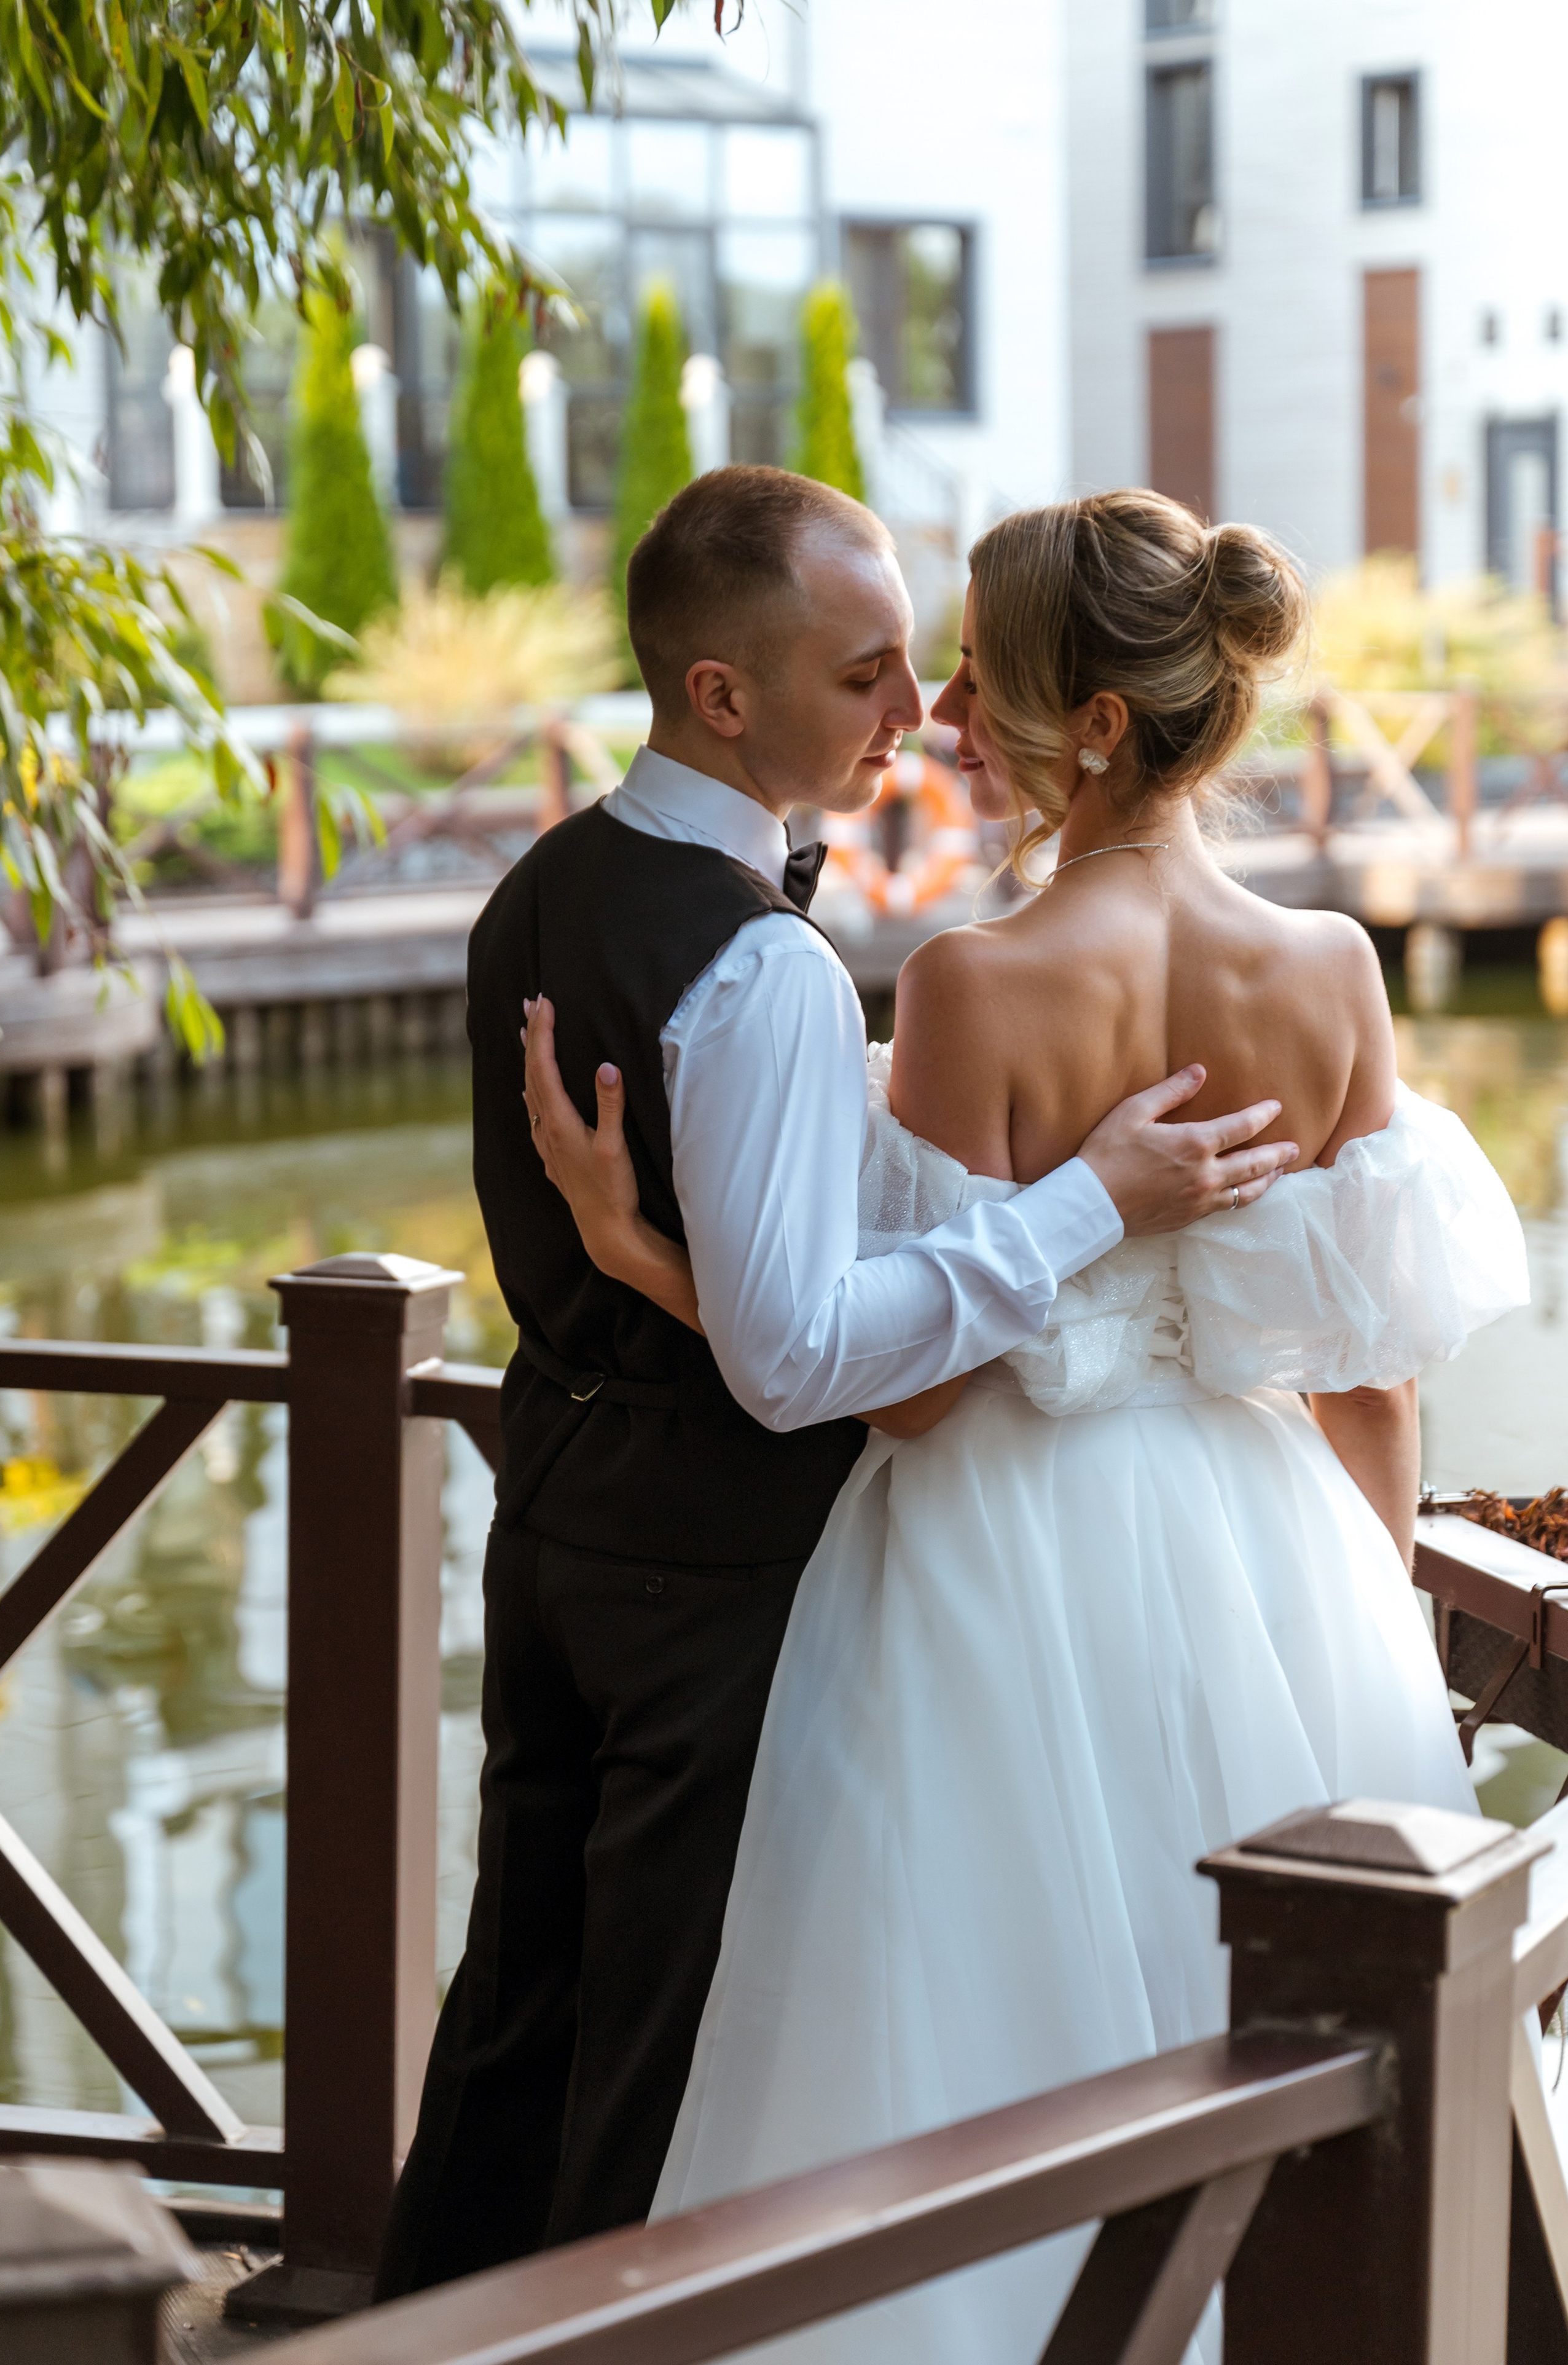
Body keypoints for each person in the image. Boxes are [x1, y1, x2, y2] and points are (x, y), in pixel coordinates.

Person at [521, 489, 1528, 2361]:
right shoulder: (1332, 974)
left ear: (1096, 723)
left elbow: (903, 1386)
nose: (945, 713)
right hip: (1278, 1549)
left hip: (999, 1564)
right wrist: (1375, 1630)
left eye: (984, 679)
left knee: (970, 2039)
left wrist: (639, 1253)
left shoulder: (977, 988)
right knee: (1318, 2030)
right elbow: (1377, 1374)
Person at [373, 469, 1299, 2302]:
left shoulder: (540, 884)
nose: (914, 717)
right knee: (663, 2042)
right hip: (715, 1566)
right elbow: (801, 1360)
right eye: (870, 673)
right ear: (726, 696)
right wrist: (1085, 1207)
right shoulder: (777, 975)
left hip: (555, 1511)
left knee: (518, 1997)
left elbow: (681, 1267)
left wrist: (638, 1262)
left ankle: (415, 2326)